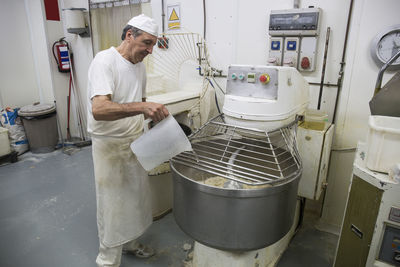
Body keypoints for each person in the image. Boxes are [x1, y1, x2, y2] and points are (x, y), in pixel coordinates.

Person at [86, 14, 169, 267]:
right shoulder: (105, 61)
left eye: (153, 44)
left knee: (135, 199)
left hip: (134, 141)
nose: (150, 50)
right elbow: (99, 109)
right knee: (112, 205)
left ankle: (131, 244)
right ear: (129, 35)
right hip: (109, 145)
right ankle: (107, 260)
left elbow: (139, 102)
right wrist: (143, 108)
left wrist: (154, 119)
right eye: (147, 42)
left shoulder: (139, 66)